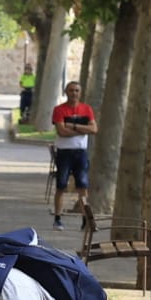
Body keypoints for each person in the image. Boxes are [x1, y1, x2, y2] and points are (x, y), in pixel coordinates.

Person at [49, 81, 97, 230]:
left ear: (80, 93)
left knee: (82, 186)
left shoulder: (86, 109)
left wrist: (73, 126)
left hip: (80, 153)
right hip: (64, 153)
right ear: (66, 92)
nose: (74, 93)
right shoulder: (59, 110)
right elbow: (61, 131)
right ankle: (58, 217)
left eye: (76, 90)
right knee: (61, 185)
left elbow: (94, 129)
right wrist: (83, 130)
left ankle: (85, 219)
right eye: (71, 90)